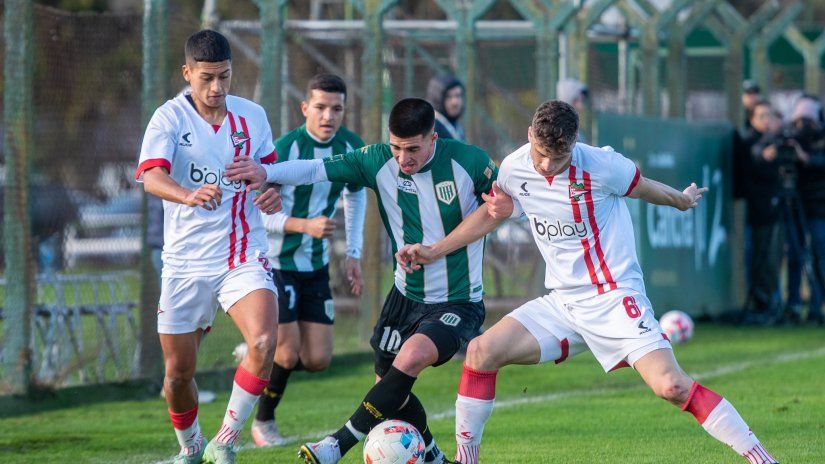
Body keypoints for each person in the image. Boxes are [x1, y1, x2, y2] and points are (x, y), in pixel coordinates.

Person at [396, 100, 780, 464]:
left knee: (672, 387)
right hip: (563, 304)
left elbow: (646, 187)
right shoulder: (513, 168)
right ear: (530, 133)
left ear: (575, 144)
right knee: (481, 352)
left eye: (557, 158)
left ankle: (762, 457)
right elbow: (491, 215)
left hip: (615, 298)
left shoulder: (603, 165)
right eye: (540, 153)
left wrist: (682, 200)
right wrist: (435, 250)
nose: (546, 165)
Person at [225, 97, 498, 464]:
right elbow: (313, 170)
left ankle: (336, 445)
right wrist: (265, 171)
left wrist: (435, 250)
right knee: (387, 386)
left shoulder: (470, 162)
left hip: (458, 299)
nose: (403, 159)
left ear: (433, 138)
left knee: (412, 356)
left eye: (413, 149)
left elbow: (499, 210)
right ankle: (433, 457)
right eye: (397, 147)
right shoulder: (375, 160)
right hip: (404, 296)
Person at [135, 30, 282, 464]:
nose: (217, 88)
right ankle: (192, 446)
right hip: (184, 262)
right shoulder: (168, 119)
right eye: (206, 78)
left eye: (224, 77)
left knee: (263, 341)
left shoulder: (252, 117)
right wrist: (186, 194)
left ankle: (225, 440)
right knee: (177, 376)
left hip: (241, 252)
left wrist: (271, 193)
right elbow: (149, 176)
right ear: (187, 74)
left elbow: (270, 177)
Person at [249, 73, 367, 446]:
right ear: (304, 109)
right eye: (320, 107)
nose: (328, 116)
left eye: (336, 109)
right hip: (276, 265)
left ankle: (259, 355)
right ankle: (263, 420)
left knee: (317, 359)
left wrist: (353, 253)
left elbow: (357, 195)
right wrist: (302, 225)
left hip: (315, 267)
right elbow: (258, 214)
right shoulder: (283, 149)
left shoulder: (351, 148)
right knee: (286, 351)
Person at [740, 100, 784, 324]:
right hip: (758, 212)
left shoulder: (778, 142)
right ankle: (762, 303)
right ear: (752, 119)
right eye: (762, 116)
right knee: (760, 258)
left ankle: (777, 303)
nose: (767, 121)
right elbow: (749, 168)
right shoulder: (749, 143)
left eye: (770, 116)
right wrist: (762, 157)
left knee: (775, 259)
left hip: (776, 208)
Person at [784, 95, 825, 324]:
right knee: (795, 254)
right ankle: (793, 305)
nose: (803, 127)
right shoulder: (790, 137)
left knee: (819, 255)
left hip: (819, 207)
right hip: (794, 202)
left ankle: (817, 306)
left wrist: (806, 157)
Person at [427, 74, 466, 141]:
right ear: (437, 99)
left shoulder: (455, 124)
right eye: (448, 96)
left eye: (458, 95)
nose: (455, 102)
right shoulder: (431, 128)